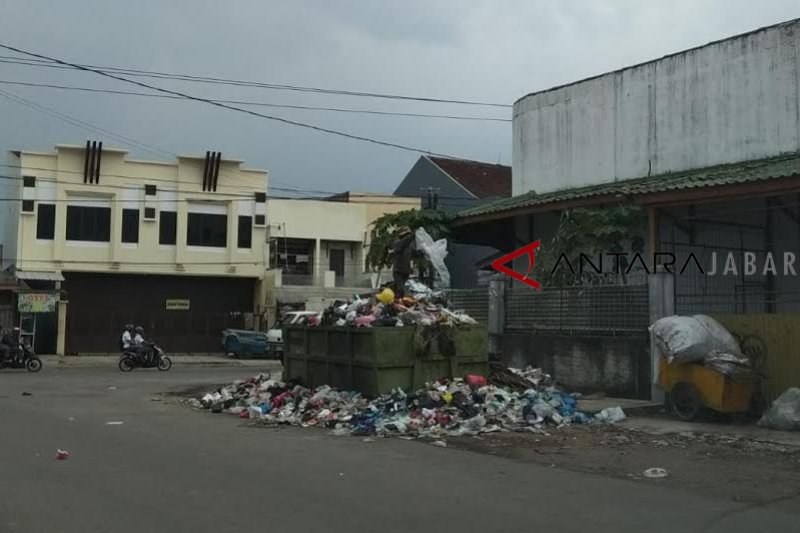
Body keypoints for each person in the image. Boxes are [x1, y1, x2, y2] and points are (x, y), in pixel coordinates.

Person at [390, 226, 416, 297]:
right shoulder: (398, 243)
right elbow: (405, 241)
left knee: (398, 288)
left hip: (405, 271)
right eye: (407, 235)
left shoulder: (409, 247)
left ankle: (391, 296)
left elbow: (415, 253)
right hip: (398, 271)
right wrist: (413, 235)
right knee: (400, 290)